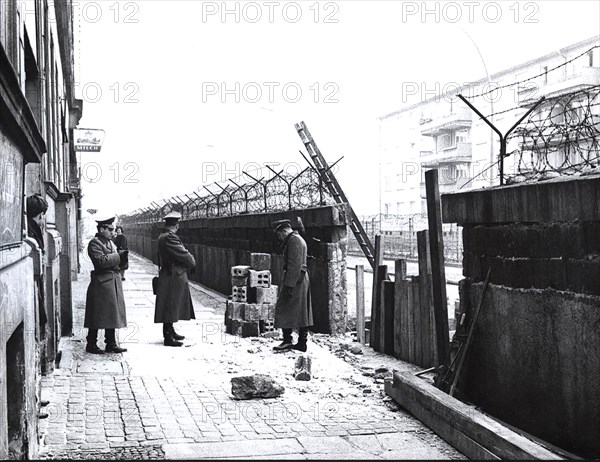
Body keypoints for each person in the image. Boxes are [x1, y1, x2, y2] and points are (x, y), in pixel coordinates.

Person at [84, 216, 128, 354]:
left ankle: (111, 343)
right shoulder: (95, 243)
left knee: (112, 314)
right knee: (97, 314)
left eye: (113, 229)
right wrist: (119, 256)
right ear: (101, 229)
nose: (113, 232)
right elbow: (100, 261)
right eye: (110, 229)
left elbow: (112, 259)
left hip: (112, 280)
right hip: (101, 282)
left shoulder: (110, 242)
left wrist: (121, 259)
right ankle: (91, 343)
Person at [154, 211, 196, 347]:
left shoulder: (163, 236)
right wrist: (192, 262)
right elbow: (184, 255)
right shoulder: (170, 238)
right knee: (171, 304)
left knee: (170, 303)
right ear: (176, 225)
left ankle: (170, 331)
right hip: (173, 274)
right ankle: (168, 336)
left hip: (169, 272)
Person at [271, 219, 313, 353]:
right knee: (302, 312)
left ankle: (287, 341)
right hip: (300, 279)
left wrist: (289, 286)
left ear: (284, 231)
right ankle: (301, 343)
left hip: (295, 279)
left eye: (279, 234)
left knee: (283, 308)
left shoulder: (293, 240)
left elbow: (294, 265)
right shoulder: (298, 238)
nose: (279, 237)